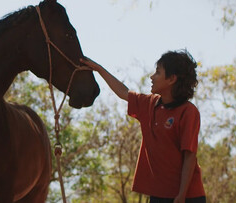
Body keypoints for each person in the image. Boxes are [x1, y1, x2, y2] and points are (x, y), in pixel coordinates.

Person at [80, 50, 206, 203]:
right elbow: (123, 92)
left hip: (187, 196)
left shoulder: (188, 112)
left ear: (172, 79)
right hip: (159, 194)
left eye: (158, 73)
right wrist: (98, 68)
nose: (152, 77)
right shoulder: (149, 104)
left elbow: (189, 155)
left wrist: (181, 195)